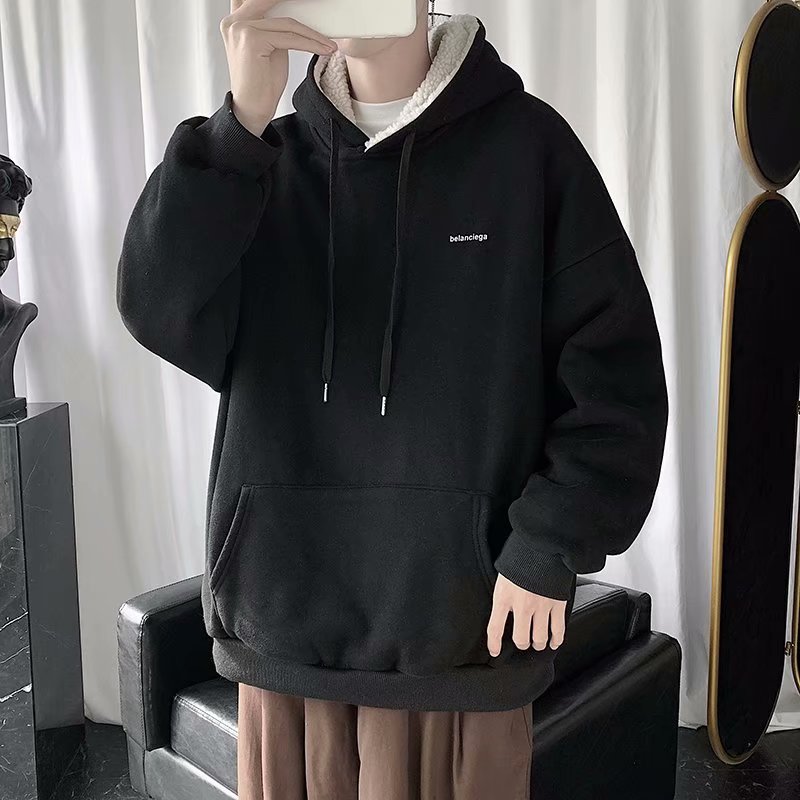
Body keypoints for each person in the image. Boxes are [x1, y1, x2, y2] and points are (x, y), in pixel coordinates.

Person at [116, 0, 669, 797]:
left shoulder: (529, 150)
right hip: (287, 633)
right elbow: (156, 308)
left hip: (465, 639)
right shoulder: (258, 163)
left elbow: (617, 382)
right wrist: (239, 123)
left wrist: (551, 541)